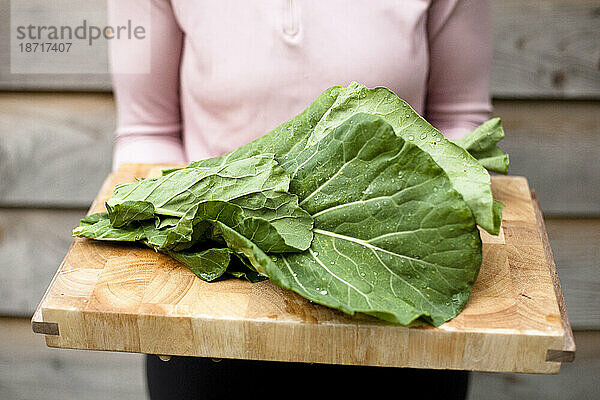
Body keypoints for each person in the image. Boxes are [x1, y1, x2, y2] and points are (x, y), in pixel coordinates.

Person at [108, 1, 491, 399]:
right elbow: (147, 132)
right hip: (208, 313)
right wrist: (200, 259)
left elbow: (460, 119)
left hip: (396, 296)